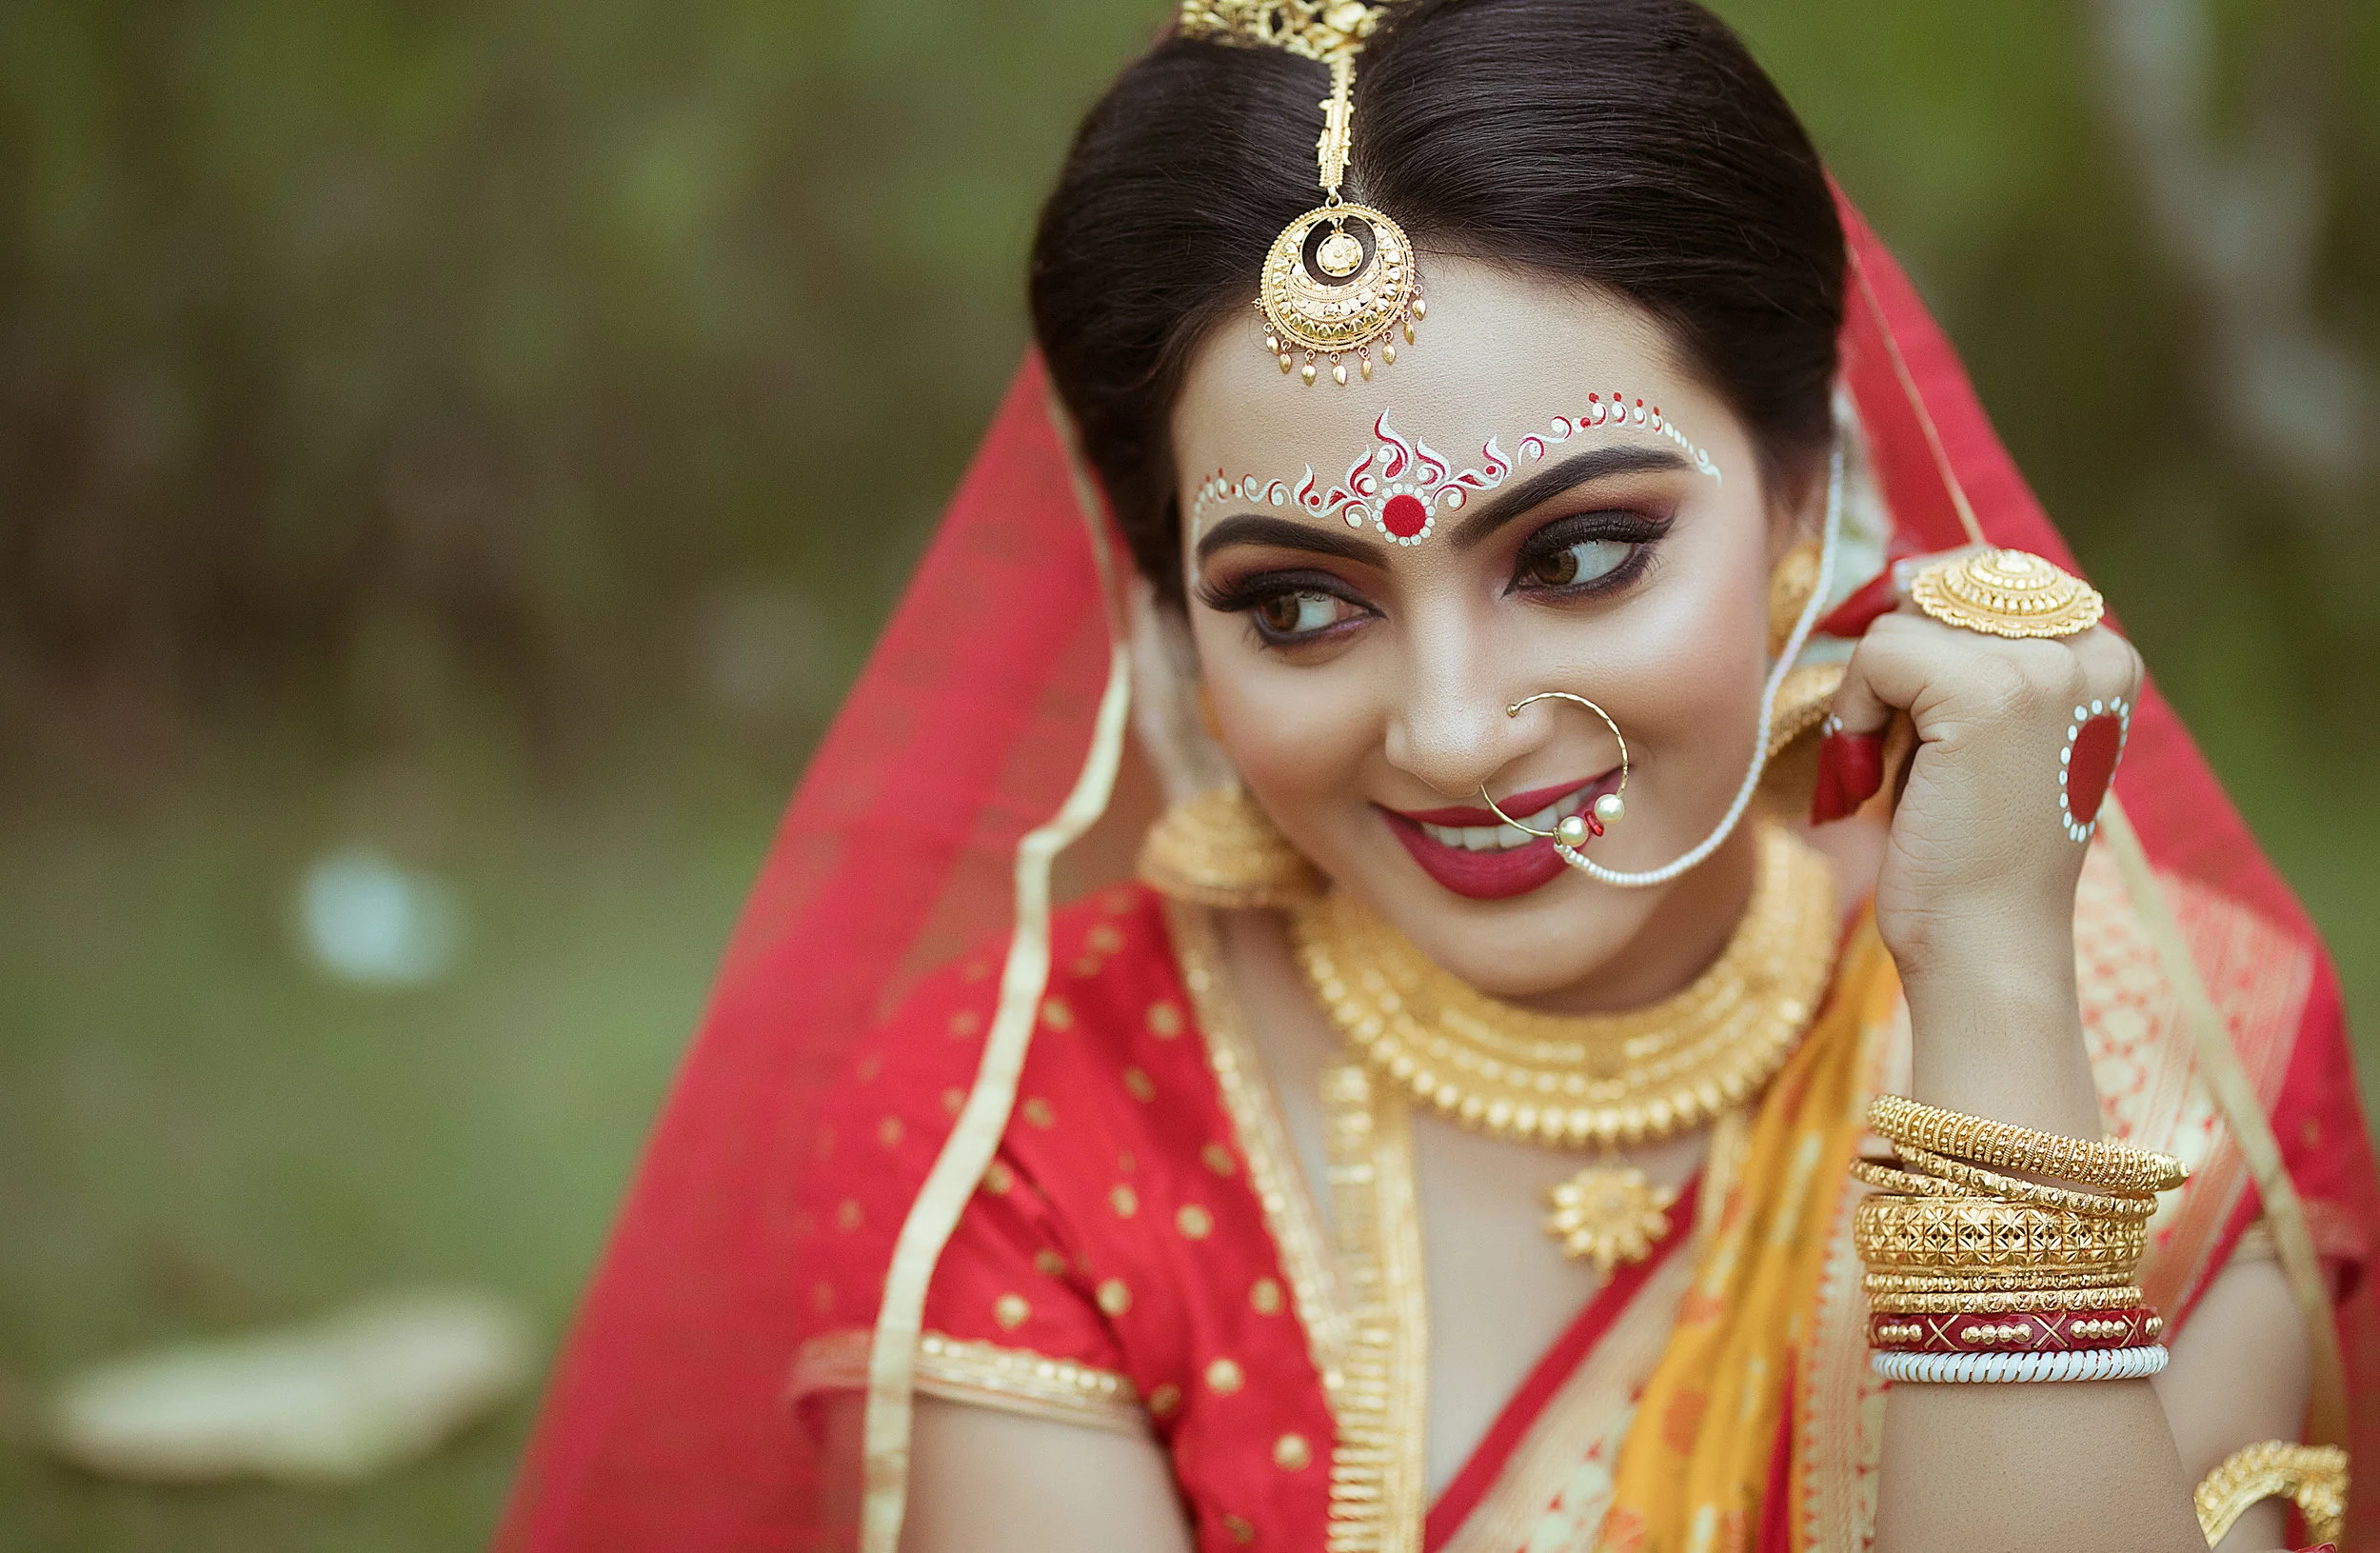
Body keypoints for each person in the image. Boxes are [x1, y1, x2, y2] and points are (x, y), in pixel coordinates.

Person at [497, 3, 2379, 1549]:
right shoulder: (1036, 1128)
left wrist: (1981, 986)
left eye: (1572, 557)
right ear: (1169, 618)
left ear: (1802, 492)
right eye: (1300, 603)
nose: (1454, 728)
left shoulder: (2149, 1045)